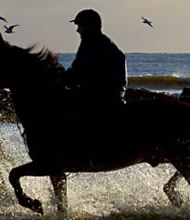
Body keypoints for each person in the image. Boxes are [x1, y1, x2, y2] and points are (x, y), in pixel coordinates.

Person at [62, 9, 128, 166]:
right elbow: (80, 71)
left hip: (105, 93)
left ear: (89, 26)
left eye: (80, 26)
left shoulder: (92, 43)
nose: (77, 30)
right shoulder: (97, 41)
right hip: (106, 89)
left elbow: (79, 72)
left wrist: (63, 79)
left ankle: (85, 155)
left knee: (73, 111)